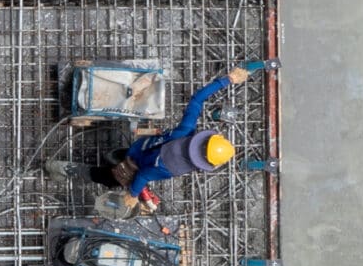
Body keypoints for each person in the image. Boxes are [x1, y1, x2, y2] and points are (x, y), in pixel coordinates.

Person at [61, 66, 256, 211]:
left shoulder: (186, 131)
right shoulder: (173, 167)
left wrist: (227, 80)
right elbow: (144, 175)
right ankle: (66, 169)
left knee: (120, 155)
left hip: (139, 148)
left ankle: (107, 158)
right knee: (106, 177)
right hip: (134, 165)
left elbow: (197, 99)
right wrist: (133, 195)